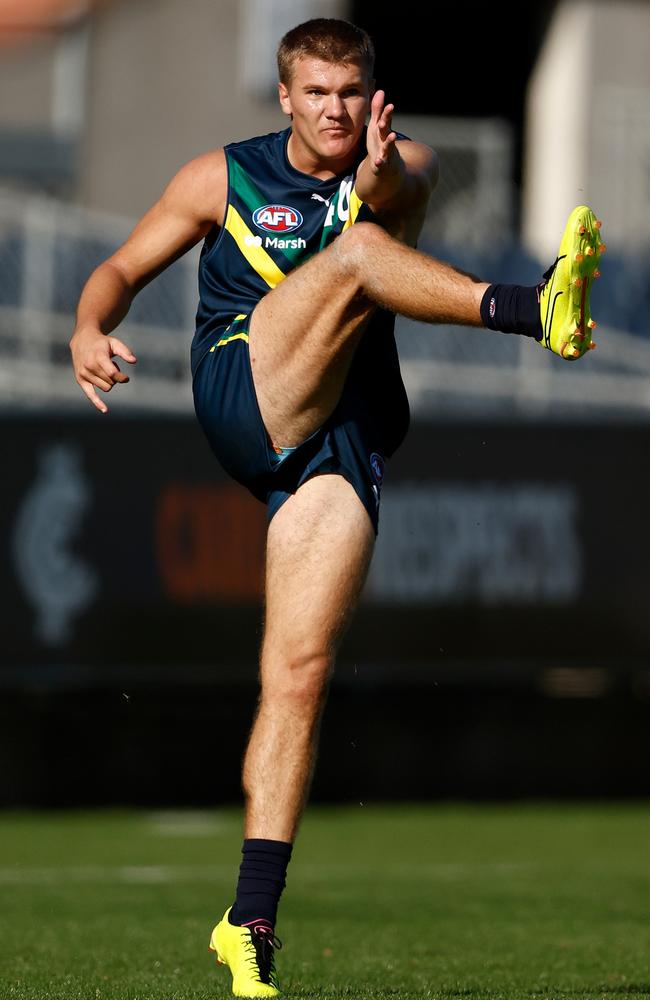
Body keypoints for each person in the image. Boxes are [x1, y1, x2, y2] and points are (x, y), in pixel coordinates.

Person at [69, 17, 604, 998]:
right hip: (243, 386)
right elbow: (119, 266)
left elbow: (393, 192)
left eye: (349, 93)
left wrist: (379, 173)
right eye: (315, 93)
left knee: (299, 673)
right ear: (283, 97)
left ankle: (248, 920)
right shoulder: (219, 178)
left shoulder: (395, 167)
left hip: (332, 442)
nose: (333, 110)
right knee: (357, 255)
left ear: (371, 95)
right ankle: (535, 309)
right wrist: (88, 322)